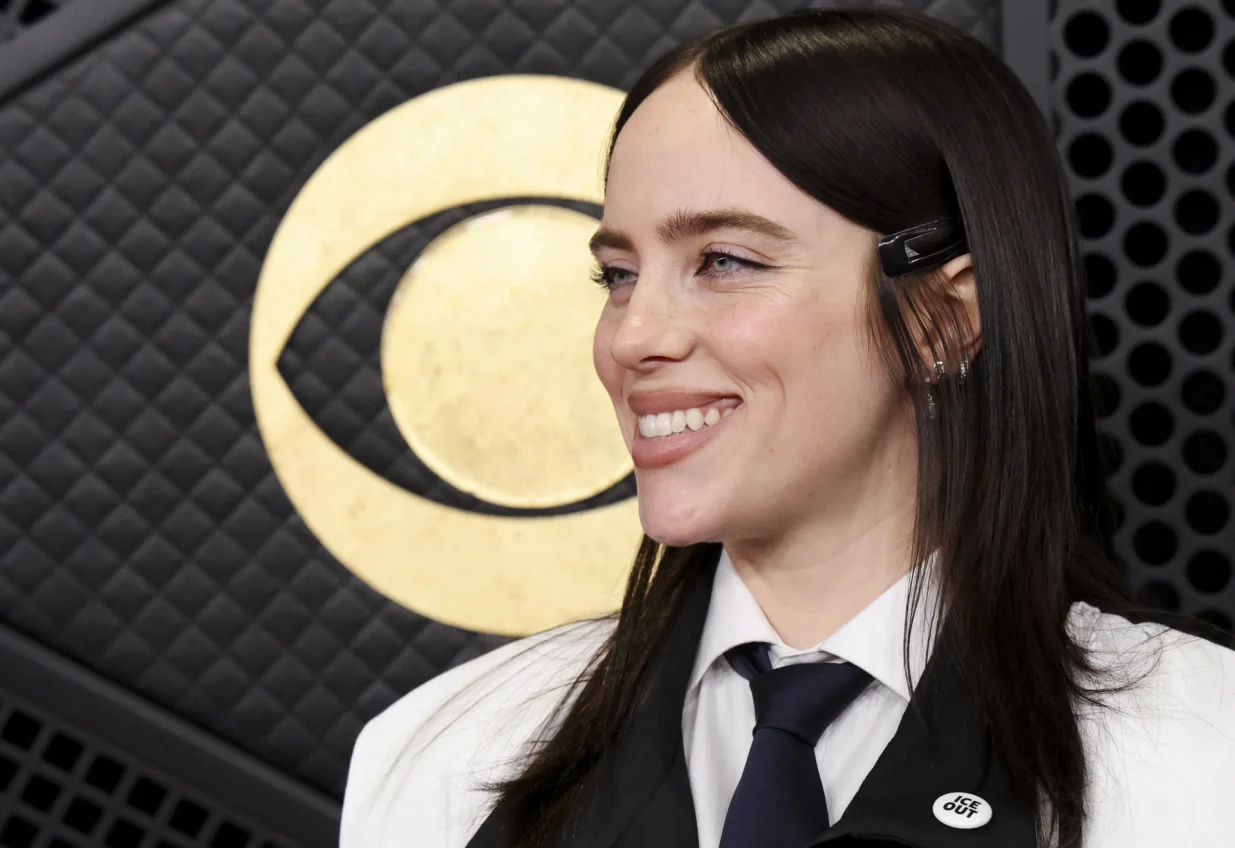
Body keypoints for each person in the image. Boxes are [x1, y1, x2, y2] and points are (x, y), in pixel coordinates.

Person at [340, 8, 1235, 848]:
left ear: (946, 317)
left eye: (723, 261)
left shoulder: (1200, 755)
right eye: (616, 274)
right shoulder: (447, 756)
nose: (634, 336)